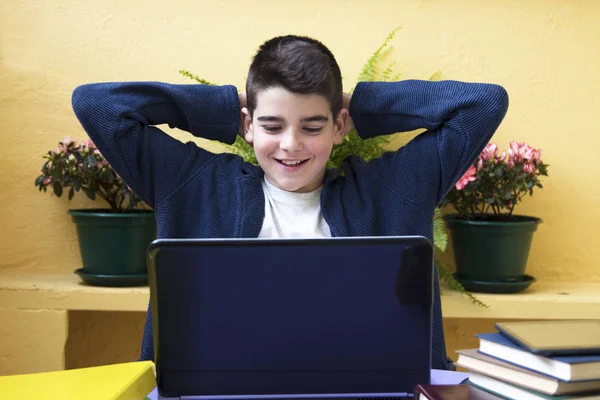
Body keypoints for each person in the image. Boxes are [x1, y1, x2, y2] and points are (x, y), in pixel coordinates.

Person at [71, 34, 509, 370]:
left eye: (313, 127)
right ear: (249, 125)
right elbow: (98, 105)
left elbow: (484, 103)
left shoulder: (394, 188)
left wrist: (359, 106)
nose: (291, 145)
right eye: (272, 125)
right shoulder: (193, 184)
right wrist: (228, 109)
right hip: (224, 389)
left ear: (340, 126)